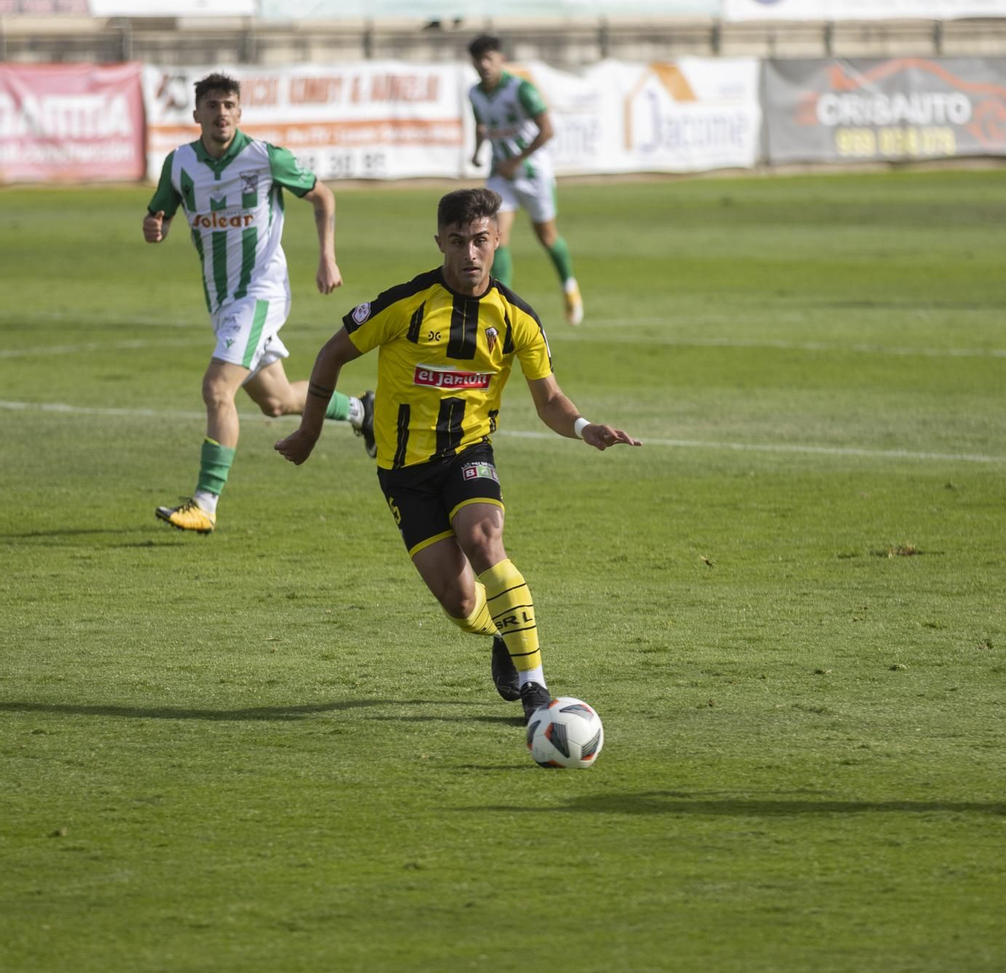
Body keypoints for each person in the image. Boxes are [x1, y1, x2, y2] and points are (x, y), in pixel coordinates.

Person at [274, 188, 639, 723]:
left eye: (481, 240)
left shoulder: (517, 318)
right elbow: (331, 354)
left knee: (484, 538)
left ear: (497, 240)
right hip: (403, 472)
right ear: (440, 242)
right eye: (458, 240)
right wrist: (309, 431)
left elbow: (550, 400)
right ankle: (503, 631)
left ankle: (536, 689)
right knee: (462, 604)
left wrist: (584, 428)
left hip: (468, 452)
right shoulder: (406, 305)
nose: (470, 253)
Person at [143, 72, 374, 535]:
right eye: (212, 105)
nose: (221, 113)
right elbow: (160, 215)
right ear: (197, 113)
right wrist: (156, 227)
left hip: (261, 293)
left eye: (229, 105)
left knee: (217, 389)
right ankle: (364, 412)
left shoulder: (265, 157)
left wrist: (327, 257)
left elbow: (323, 195)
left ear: (240, 112)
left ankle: (205, 503)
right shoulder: (180, 164)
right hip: (222, 301)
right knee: (276, 400)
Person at [466, 34, 584, 326]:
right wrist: (477, 152)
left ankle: (569, 287)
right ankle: (502, 303)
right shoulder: (475, 94)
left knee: (547, 237)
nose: (484, 65)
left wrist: (517, 160)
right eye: (479, 60)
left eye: (489, 58)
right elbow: (481, 125)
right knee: (496, 237)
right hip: (500, 177)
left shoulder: (521, 90)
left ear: (501, 59)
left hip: (533, 175)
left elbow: (547, 130)